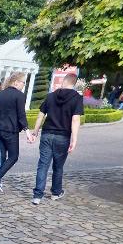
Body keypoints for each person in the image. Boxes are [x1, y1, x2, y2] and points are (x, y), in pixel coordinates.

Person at [29, 72, 84, 204]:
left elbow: (40, 115)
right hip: (63, 136)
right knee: (58, 166)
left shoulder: (51, 96)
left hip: (47, 134)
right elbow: (75, 119)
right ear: (74, 83)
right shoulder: (76, 98)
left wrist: (35, 131)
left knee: (42, 165)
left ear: (63, 81)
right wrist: (74, 139)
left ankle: (37, 196)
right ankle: (55, 192)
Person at [0, 72, 34, 192]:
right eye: (23, 82)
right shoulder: (19, 95)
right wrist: (28, 132)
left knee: (2, 156)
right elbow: (21, 115)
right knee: (13, 156)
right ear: (16, 82)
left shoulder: (0, 94)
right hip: (10, 131)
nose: (24, 85)